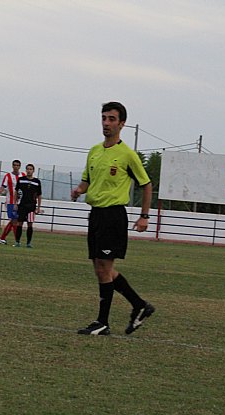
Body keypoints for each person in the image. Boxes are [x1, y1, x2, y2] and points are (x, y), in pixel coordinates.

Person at [70, 101, 155, 336]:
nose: (106, 123)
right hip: (96, 214)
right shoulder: (95, 151)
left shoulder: (127, 154)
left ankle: (103, 322)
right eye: (104, 118)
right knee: (100, 268)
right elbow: (87, 179)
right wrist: (79, 189)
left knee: (105, 267)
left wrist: (144, 216)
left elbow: (146, 185)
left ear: (122, 123)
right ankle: (139, 305)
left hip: (113, 215)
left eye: (111, 119)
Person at [0, 159, 25, 244]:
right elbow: (2, 187)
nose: (16, 167)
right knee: (14, 221)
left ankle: (2, 238)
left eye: (17, 165)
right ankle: (17, 241)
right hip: (10, 202)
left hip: (20, 202)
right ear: (12, 166)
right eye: (14, 165)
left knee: (14, 221)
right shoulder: (8, 176)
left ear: (20, 166)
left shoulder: (23, 176)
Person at [13, 163, 42, 248]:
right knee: (19, 223)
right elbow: (16, 192)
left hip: (32, 206)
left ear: (33, 171)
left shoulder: (37, 182)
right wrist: (15, 203)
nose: (29, 171)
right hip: (22, 205)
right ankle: (17, 241)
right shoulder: (21, 180)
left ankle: (28, 243)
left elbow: (39, 195)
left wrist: (38, 207)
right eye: (28, 169)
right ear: (25, 170)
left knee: (30, 224)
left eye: (31, 169)